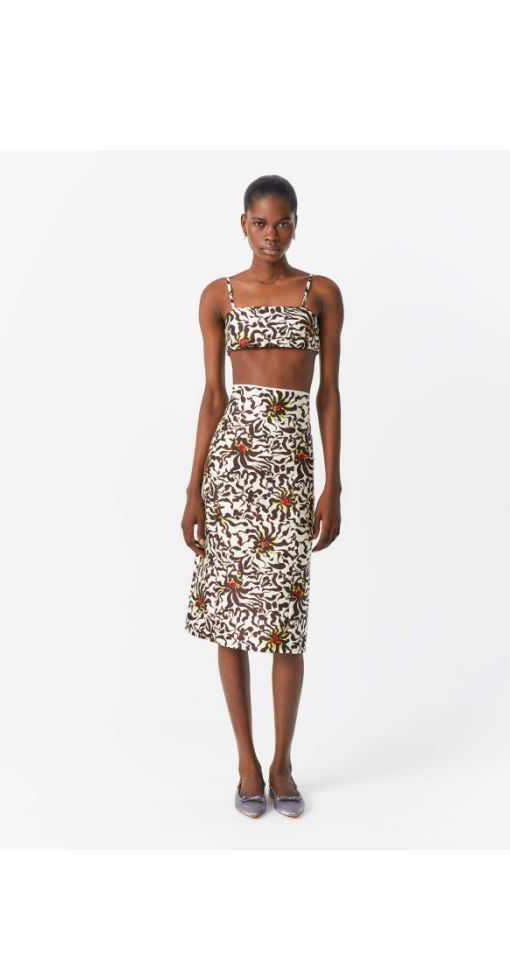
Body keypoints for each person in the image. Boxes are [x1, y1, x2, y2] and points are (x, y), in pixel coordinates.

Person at [181, 174, 343, 818]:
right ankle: (247, 762)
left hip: (292, 473)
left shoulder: (320, 293)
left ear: (296, 224)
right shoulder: (218, 296)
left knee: (285, 625)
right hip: (231, 469)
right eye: (260, 223)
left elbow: (328, 393)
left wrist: (333, 482)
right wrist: (193, 488)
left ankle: (283, 763)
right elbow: (213, 396)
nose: (271, 234)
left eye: (283, 223)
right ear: (243, 224)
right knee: (232, 616)